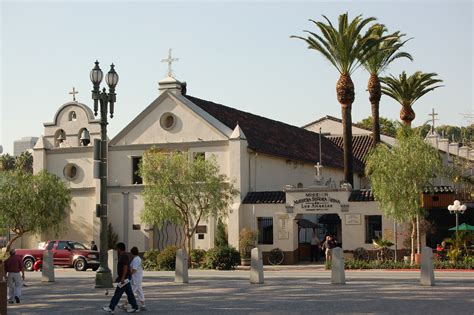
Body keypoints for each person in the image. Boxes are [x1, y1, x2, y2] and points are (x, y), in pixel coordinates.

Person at [102, 243, 139, 313]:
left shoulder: (124, 256)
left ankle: (111, 307)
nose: (117, 250)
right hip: (126, 278)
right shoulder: (123, 255)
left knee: (118, 293)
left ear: (119, 248)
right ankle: (135, 307)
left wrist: (122, 278)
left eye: (117, 248)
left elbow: (125, 267)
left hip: (124, 278)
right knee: (129, 293)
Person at [120, 246, 146, 311]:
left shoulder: (136, 259)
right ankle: (143, 305)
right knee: (139, 291)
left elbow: (134, 269)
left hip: (135, 279)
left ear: (132, 253)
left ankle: (125, 304)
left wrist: (128, 275)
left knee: (131, 292)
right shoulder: (138, 258)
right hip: (138, 278)